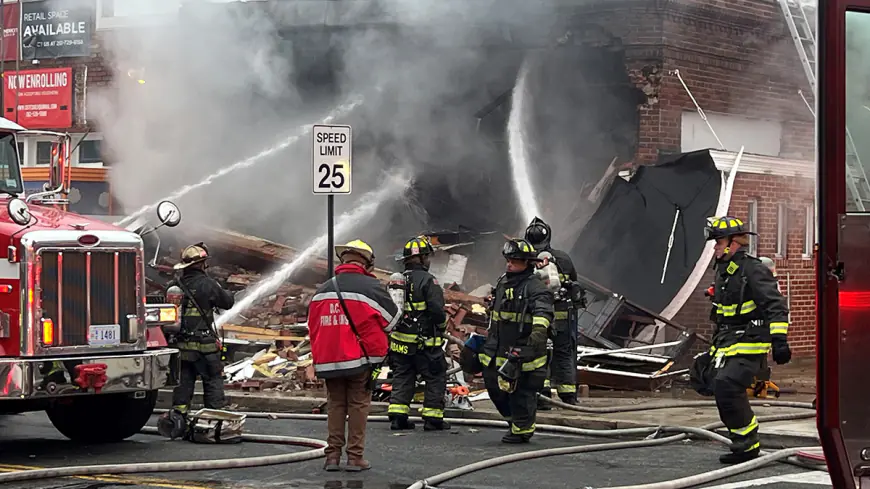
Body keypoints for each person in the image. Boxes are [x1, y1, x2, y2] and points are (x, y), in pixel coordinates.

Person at [694, 216, 792, 464]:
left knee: (727, 385)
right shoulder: (724, 269)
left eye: (718, 242)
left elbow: (776, 306)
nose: (714, 247)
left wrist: (779, 340)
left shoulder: (754, 269)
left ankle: (747, 444)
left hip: (750, 341)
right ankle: (742, 440)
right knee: (703, 378)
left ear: (733, 243)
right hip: (726, 340)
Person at [308, 240, 400, 472]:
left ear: (343, 261)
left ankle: (332, 457)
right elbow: (392, 321)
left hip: (328, 360)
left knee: (336, 405)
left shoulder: (323, 289)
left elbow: (312, 326)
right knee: (358, 405)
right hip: (361, 359)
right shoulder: (372, 288)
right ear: (367, 262)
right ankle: (354, 457)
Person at [480, 238, 555, 443]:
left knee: (522, 393)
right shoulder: (504, 282)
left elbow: (543, 314)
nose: (509, 264)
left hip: (524, 349)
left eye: (514, 261)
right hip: (498, 347)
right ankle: (515, 422)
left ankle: (522, 429)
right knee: (494, 386)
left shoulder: (536, 288)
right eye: (508, 260)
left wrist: (537, 335)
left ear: (527, 262)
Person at [387, 236, 451, 431]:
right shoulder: (429, 281)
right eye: (427, 257)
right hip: (425, 343)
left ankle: (398, 417)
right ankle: (433, 419)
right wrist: (442, 327)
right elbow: (437, 311)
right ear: (422, 259)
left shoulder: (397, 281)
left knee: (403, 376)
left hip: (399, 343)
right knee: (435, 376)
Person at [168, 243, 235, 416]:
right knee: (213, 380)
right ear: (202, 264)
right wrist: (225, 290)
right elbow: (227, 303)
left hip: (181, 347)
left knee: (183, 383)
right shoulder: (208, 284)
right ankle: (213, 418)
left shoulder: (174, 285)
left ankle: (178, 419)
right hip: (205, 346)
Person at [524, 217, 582, 405]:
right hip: (563, 315)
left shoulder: (525, 260)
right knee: (564, 353)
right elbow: (574, 280)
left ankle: (543, 396)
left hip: (540, 316)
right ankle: (569, 396)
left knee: (540, 354)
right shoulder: (563, 258)